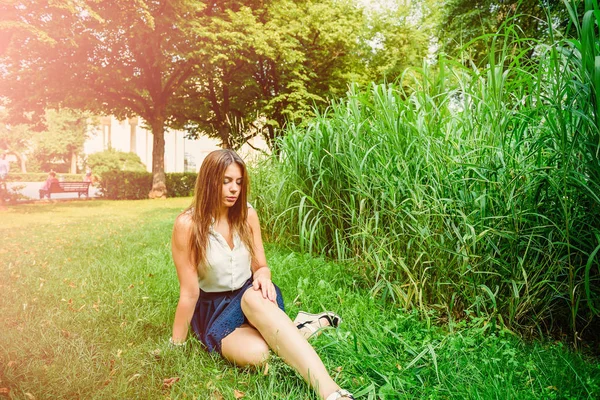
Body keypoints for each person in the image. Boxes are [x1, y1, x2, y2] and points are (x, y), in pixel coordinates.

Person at [170, 149, 354, 400]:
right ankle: (301, 326)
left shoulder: (247, 215)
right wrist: (177, 343)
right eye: (226, 181)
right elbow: (190, 292)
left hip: (252, 297)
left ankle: (331, 392)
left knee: (252, 297)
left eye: (238, 182)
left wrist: (263, 277)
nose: (234, 189)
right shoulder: (187, 225)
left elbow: (261, 266)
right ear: (208, 180)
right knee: (259, 355)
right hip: (214, 309)